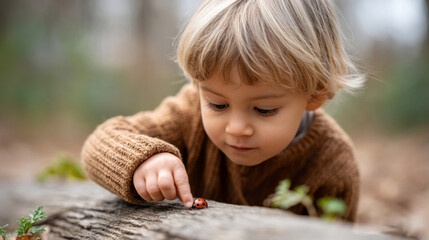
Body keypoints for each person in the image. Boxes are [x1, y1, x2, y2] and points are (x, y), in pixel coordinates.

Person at [81, 0, 364, 221]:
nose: (236, 128)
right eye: (218, 105)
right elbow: (98, 144)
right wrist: (142, 160)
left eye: (264, 110)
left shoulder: (332, 166)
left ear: (315, 94)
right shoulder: (187, 117)